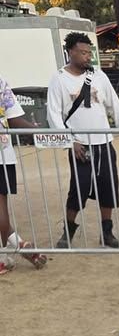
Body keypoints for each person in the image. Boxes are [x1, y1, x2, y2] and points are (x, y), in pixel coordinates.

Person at [46, 32, 119, 249]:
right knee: (79, 188)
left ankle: (107, 232)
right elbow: (53, 114)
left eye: (88, 52)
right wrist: (70, 141)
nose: (87, 56)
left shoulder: (99, 76)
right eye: (82, 52)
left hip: (104, 142)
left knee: (108, 187)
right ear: (70, 52)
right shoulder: (59, 79)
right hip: (80, 145)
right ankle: (68, 231)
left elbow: (114, 104)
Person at [0, 75, 47, 275]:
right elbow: (15, 119)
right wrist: (37, 130)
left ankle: (4, 256)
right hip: (3, 152)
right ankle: (18, 245)